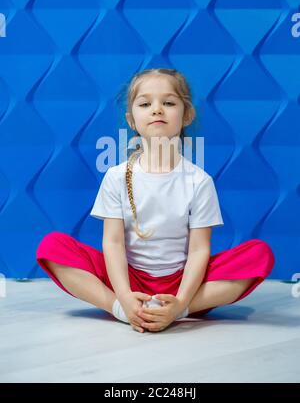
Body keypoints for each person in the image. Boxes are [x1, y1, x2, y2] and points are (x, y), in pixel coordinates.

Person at [36, 68, 275, 334]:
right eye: (145, 103)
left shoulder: (199, 181)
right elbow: (113, 243)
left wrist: (181, 301)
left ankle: (179, 310)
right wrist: (124, 296)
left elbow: (198, 251)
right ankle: (122, 309)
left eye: (169, 103)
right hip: (128, 277)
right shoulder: (116, 177)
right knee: (53, 246)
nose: (157, 110)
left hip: (183, 283)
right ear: (131, 119)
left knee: (258, 254)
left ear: (187, 116)